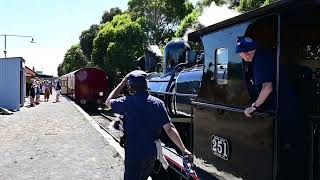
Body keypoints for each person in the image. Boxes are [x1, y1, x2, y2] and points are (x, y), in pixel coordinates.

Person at [105, 70, 191, 180]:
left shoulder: (126, 101)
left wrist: (122, 83)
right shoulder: (158, 103)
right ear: (146, 85)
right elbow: (169, 129)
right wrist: (183, 149)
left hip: (133, 151)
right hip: (151, 152)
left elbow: (108, 102)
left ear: (130, 87)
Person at [235, 36, 276, 117]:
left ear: (246, 54)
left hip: (280, 108)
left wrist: (254, 107)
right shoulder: (264, 55)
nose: (241, 57)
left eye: (240, 55)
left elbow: (267, 88)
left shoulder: (259, 61)